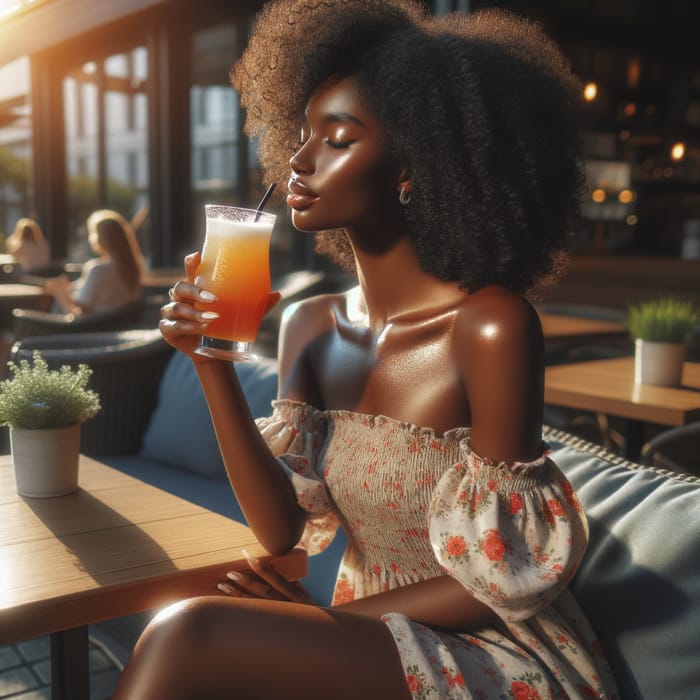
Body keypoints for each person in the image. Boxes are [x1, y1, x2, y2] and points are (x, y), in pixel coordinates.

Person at [113, 2, 619, 698]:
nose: (299, 160)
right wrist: (212, 366)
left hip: (493, 651)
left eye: (337, 139)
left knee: (186, 632)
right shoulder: (310, 325)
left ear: (412, 167)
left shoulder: (491, 326)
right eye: (301, 134)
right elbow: (280, 529)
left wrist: (327, 621)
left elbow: (497, 583)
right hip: (365, 637)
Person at [44, 209, 144, 316]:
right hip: (119, 326)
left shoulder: (98, 270)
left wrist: (60, 293)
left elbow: (81, 309)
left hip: (90, 329)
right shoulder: (134, 268)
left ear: (99, 239)